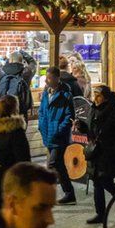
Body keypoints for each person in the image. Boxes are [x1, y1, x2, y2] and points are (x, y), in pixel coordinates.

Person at [75, 85, 115, 224]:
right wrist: (81, 126)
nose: (95, 98)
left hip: (107, 154)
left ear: (106, 97)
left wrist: (113, 148)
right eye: (94, 94)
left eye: (99, 95)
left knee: (106, 181)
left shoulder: (114, 113)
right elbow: (90, 129)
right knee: (97, 183)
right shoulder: (93, 109)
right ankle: (100, 213)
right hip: (95, 153)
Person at [38, 67, 76, 204]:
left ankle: (44, 194)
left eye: (49, 78)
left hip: (59, 136)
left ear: (57, 78)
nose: (46, 81)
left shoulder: (65, 95)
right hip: (48, 132)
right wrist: (41, 126)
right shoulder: (45, 93)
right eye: (46, 78)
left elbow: (69, 116)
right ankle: (69, 193)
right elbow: (41, 111)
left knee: (52, 163)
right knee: (59, 166)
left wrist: (59, 129)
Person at [0, 52, 33, 117]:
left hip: (3, 110)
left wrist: (8, 61)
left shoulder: (1, 72)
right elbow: (33, 63)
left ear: (11, 60)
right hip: (20, 111)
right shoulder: (27, 72)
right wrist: (23, 53)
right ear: (21, 61)